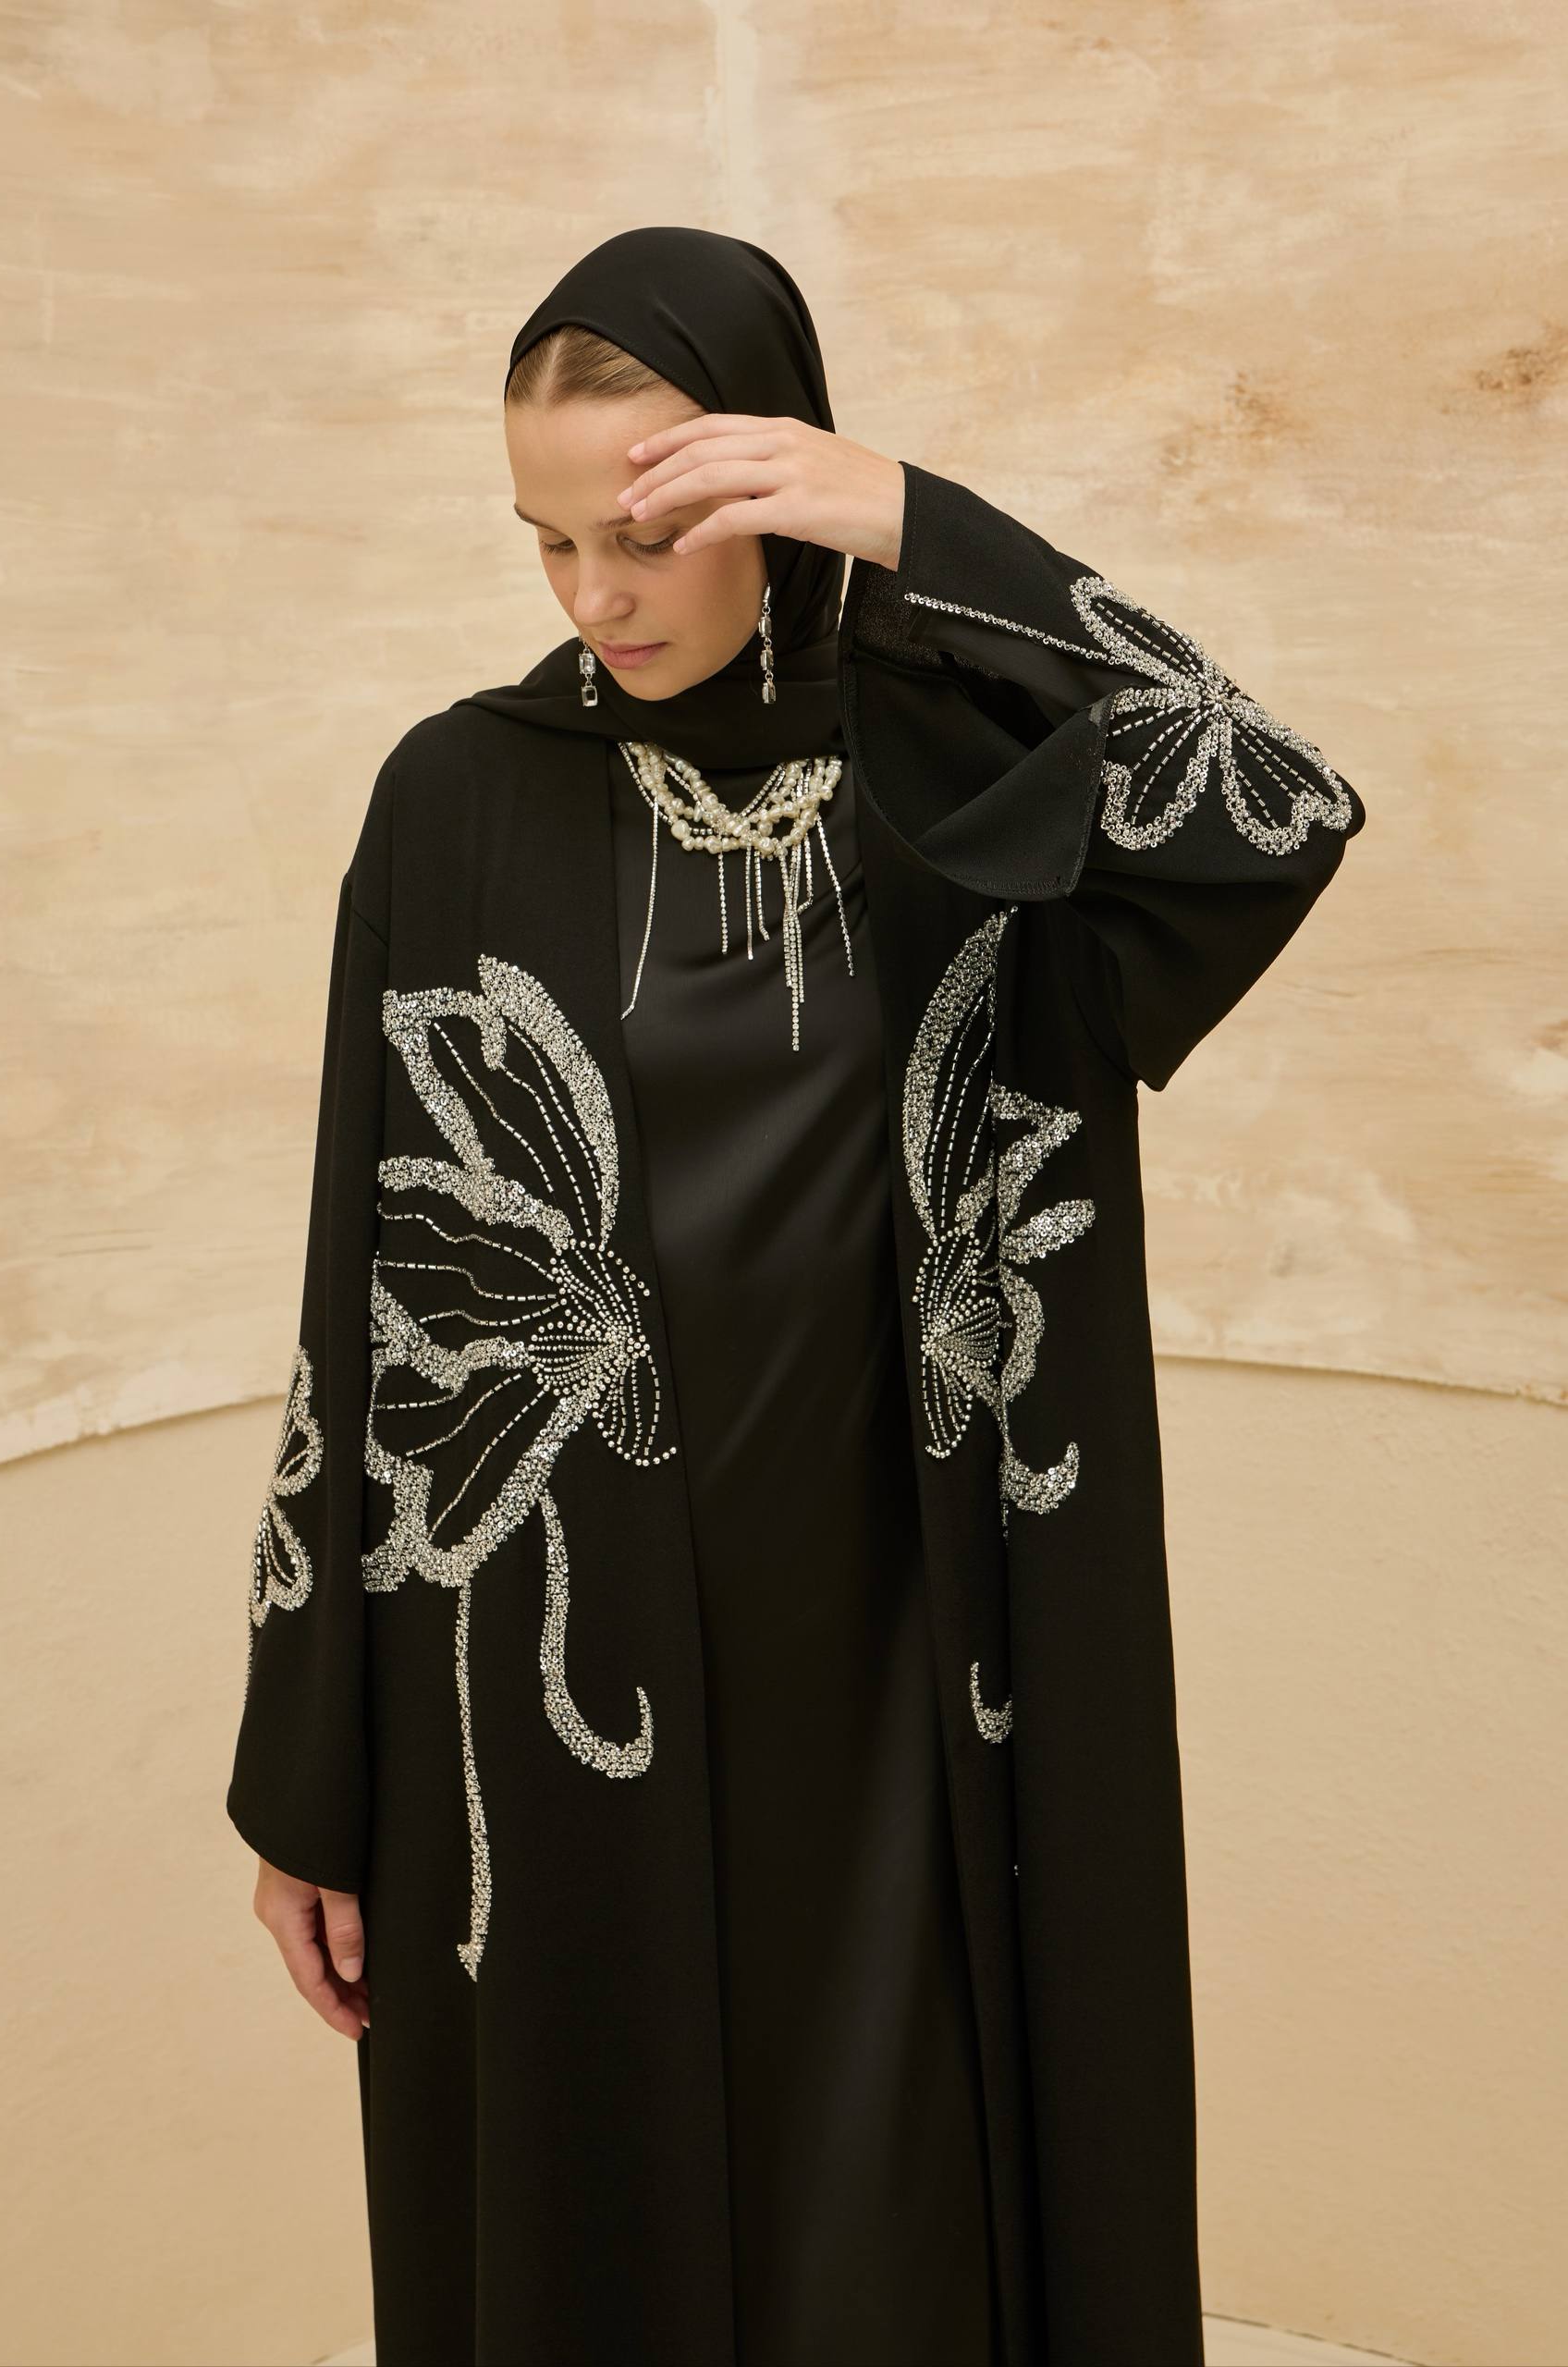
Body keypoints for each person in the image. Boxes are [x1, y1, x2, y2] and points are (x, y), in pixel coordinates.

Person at [228, 226, 1366, 2367]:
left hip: (905, 1671)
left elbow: (1275, 807)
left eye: (649, 528)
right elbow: (360, 1294)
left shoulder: (961, 785)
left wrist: (919, 524)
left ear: (775, 478)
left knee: (900, 2255)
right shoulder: (457, 795)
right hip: (561, 1679)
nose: (598, 592)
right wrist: (311, 1763)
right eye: (550, 538)